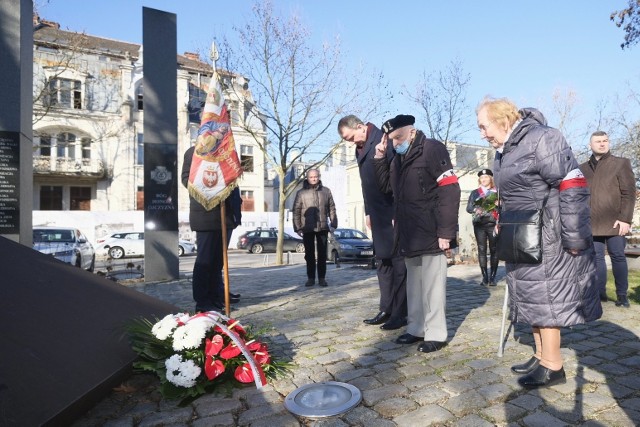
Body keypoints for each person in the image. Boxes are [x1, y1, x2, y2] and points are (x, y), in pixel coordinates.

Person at [476, 97, 602, 388]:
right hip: (520, 233)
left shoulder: (543, 138)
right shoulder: (503, 151)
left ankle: (553, 365)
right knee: (530, 294)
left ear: (503, 119)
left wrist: (574, 235)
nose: (482, 133)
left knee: (545, 296)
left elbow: (572, 185)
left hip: (548, 233)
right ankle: (540, 354)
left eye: (484, 126)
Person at [373, 114, 461, 353]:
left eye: (398, 137)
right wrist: (381, 158)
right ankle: (416, 328)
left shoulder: (433, 149)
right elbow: (386, 188)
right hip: (408, 232)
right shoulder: (398, 158)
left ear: (412, 132)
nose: (394, 143)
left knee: (433, 287)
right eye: (391, 140)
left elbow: (450, 189)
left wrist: (446, 232)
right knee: (414, 286)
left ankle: (436, 334)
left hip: (431, 230)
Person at [338, 115, 408, 330]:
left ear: (360, 127)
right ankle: (386, 308)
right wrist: (368, 211)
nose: (351, 142)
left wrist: (399, 211)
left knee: (398, 263)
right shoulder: (360, 147)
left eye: (351, 137)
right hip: (377, 213)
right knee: (382, 261)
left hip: (392, 211)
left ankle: (400, 312)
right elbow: (366, 184)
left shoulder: (383, 140)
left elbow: (398, 178)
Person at [579, 131, 636, 308]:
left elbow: (629, 193)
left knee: (618, 256)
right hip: (591, 221)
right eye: (598, 141)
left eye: (605, 141)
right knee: (596, 257)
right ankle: (600, 293)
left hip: (615, 221)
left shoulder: (620, 163)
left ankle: (622, 295)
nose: (602, 144)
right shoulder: (582, 168)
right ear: (590, 145)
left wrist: (625, 219)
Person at [182, 145, 241, 312]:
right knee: (205, 261)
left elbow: (233, 180)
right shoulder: (194, 152)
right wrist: (213, 191)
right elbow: (186, 179)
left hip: (226, 216)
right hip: (205, 215)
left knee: (218, 263)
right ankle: (203, 302)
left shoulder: (226, 150)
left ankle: (216, 298)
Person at [292, 169, 338, 287]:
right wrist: (297, 227)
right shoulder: (301, 193)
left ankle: (322, 278)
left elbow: (332, 208)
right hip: (307, 227)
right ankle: (311, 278)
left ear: (319, 177)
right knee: (309, 255)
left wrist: (333, 223)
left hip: (322, 227)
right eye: (311, 177)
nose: (313, 179)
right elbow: (296, 211)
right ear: (307, 178)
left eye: (315, 176)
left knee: (322, 254)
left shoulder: (326, 191)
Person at [465, 169, 499, 286]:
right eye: (481, 178)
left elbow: (503, 208)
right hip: (479, 225)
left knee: (495, 250)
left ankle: (493, 277)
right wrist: (476, 209)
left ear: (490, 178)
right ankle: (484, 277)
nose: (483, 180)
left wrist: (499, 205)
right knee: (482, 250)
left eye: (486, 177)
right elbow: (469, 208)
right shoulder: (475, 192)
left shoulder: (497, 191)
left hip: (493, 224)